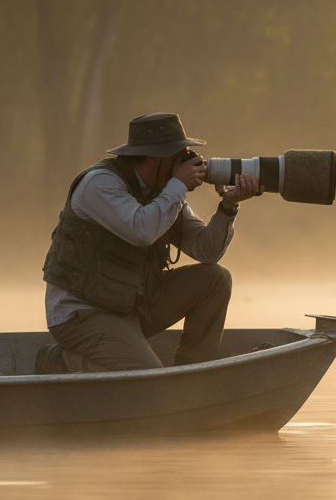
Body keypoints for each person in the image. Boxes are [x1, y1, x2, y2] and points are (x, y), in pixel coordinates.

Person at [37, 112, 262, 373]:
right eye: (181, 156)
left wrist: (227, 207)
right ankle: (58, 362)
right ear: (156, 158)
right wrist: (177, 185)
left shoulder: (164, 193)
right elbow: (141, 230)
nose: (188, 161)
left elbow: (207, 251)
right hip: (83, 314)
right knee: (146, 378)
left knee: (215, 279)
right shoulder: (99, 184)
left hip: (131, 305)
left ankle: (193, 381)